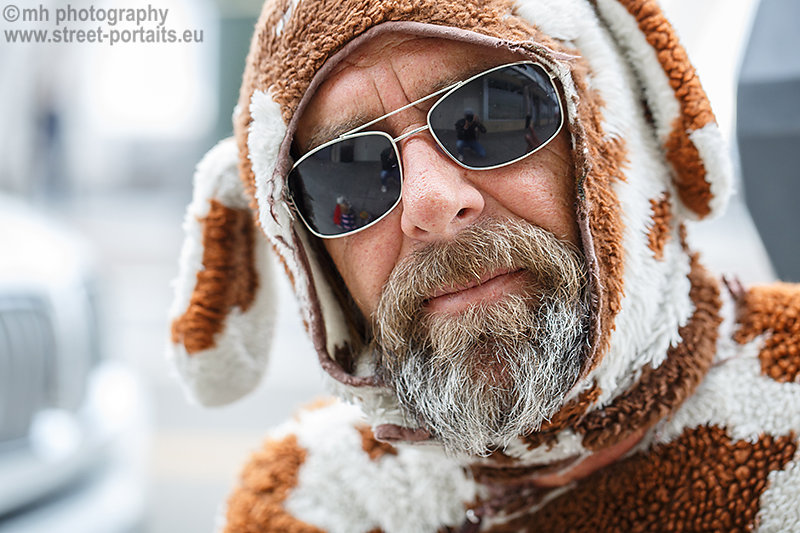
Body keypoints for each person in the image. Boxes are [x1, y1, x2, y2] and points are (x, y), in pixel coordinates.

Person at [168, 1, 800, 531]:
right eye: (349, 172)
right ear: (313, 262)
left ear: (618, 126)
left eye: (496, 115)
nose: (432, 205)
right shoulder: (308, 508)